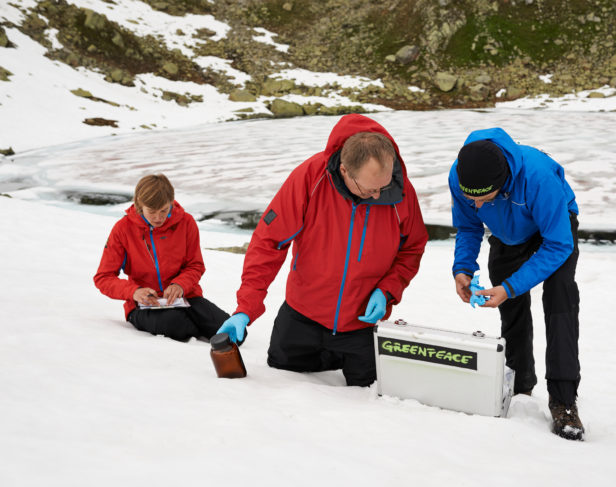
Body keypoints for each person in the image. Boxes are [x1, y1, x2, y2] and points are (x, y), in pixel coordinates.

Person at [218, 114, 428, 386]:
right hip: (303, 312)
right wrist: (245, 309)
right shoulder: (309, 178)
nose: (379, 195)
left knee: (368, 388)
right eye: (371, 188)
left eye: (384, 186)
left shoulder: (399, 191)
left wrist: (387, 290)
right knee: (279, 370)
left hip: (361, 321)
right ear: (344, 171)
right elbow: (269, 242)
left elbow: (413, 248)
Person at [448, 128, 584, 440]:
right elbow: (469, 225)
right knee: (511, 306)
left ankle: (564, 401)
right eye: (472, 199)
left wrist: (511, 286)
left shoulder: (537, 177)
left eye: (483, 199)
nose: (477, 206)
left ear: (503, 183)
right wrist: (463, 267)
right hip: (508, 233)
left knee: (559, 301)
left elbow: (558, 245)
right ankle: (520, 382)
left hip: (552, 232)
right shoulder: (460, 176)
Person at [94, 174, 229, 341]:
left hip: (186, 298)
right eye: (152, 211)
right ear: (139, 205)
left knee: (230, 330)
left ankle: (193, 323)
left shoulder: (186, 222)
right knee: (177, 325)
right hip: (143, 305)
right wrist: (134, 292)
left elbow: (196, 265)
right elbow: (103, 277)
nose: (158, 218)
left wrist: (180, 284)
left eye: (164, 210)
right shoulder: (123, 229)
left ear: (171, 202)